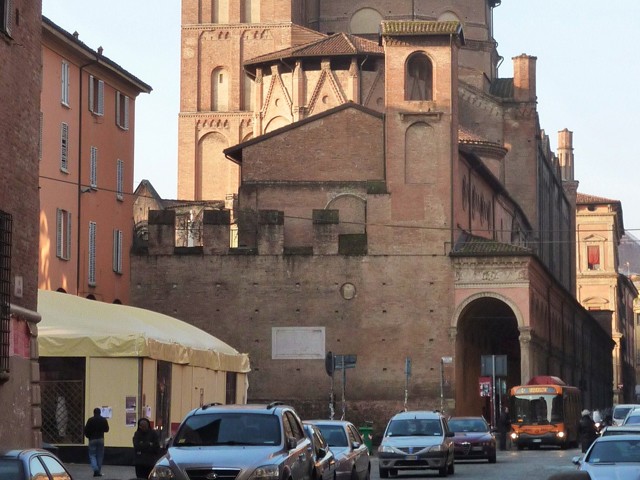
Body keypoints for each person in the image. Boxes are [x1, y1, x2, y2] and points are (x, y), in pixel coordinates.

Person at [84, 407, 110, 477]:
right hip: (101, 438)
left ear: (94, 413)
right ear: (100, 412)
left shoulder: (90, 420)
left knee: (92, 455)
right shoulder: (103, 420)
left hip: (92, 439)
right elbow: (107, 429)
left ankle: (95, 469)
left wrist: (88, 436)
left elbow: (86, 430)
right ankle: (98, 471)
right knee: (100, 455)